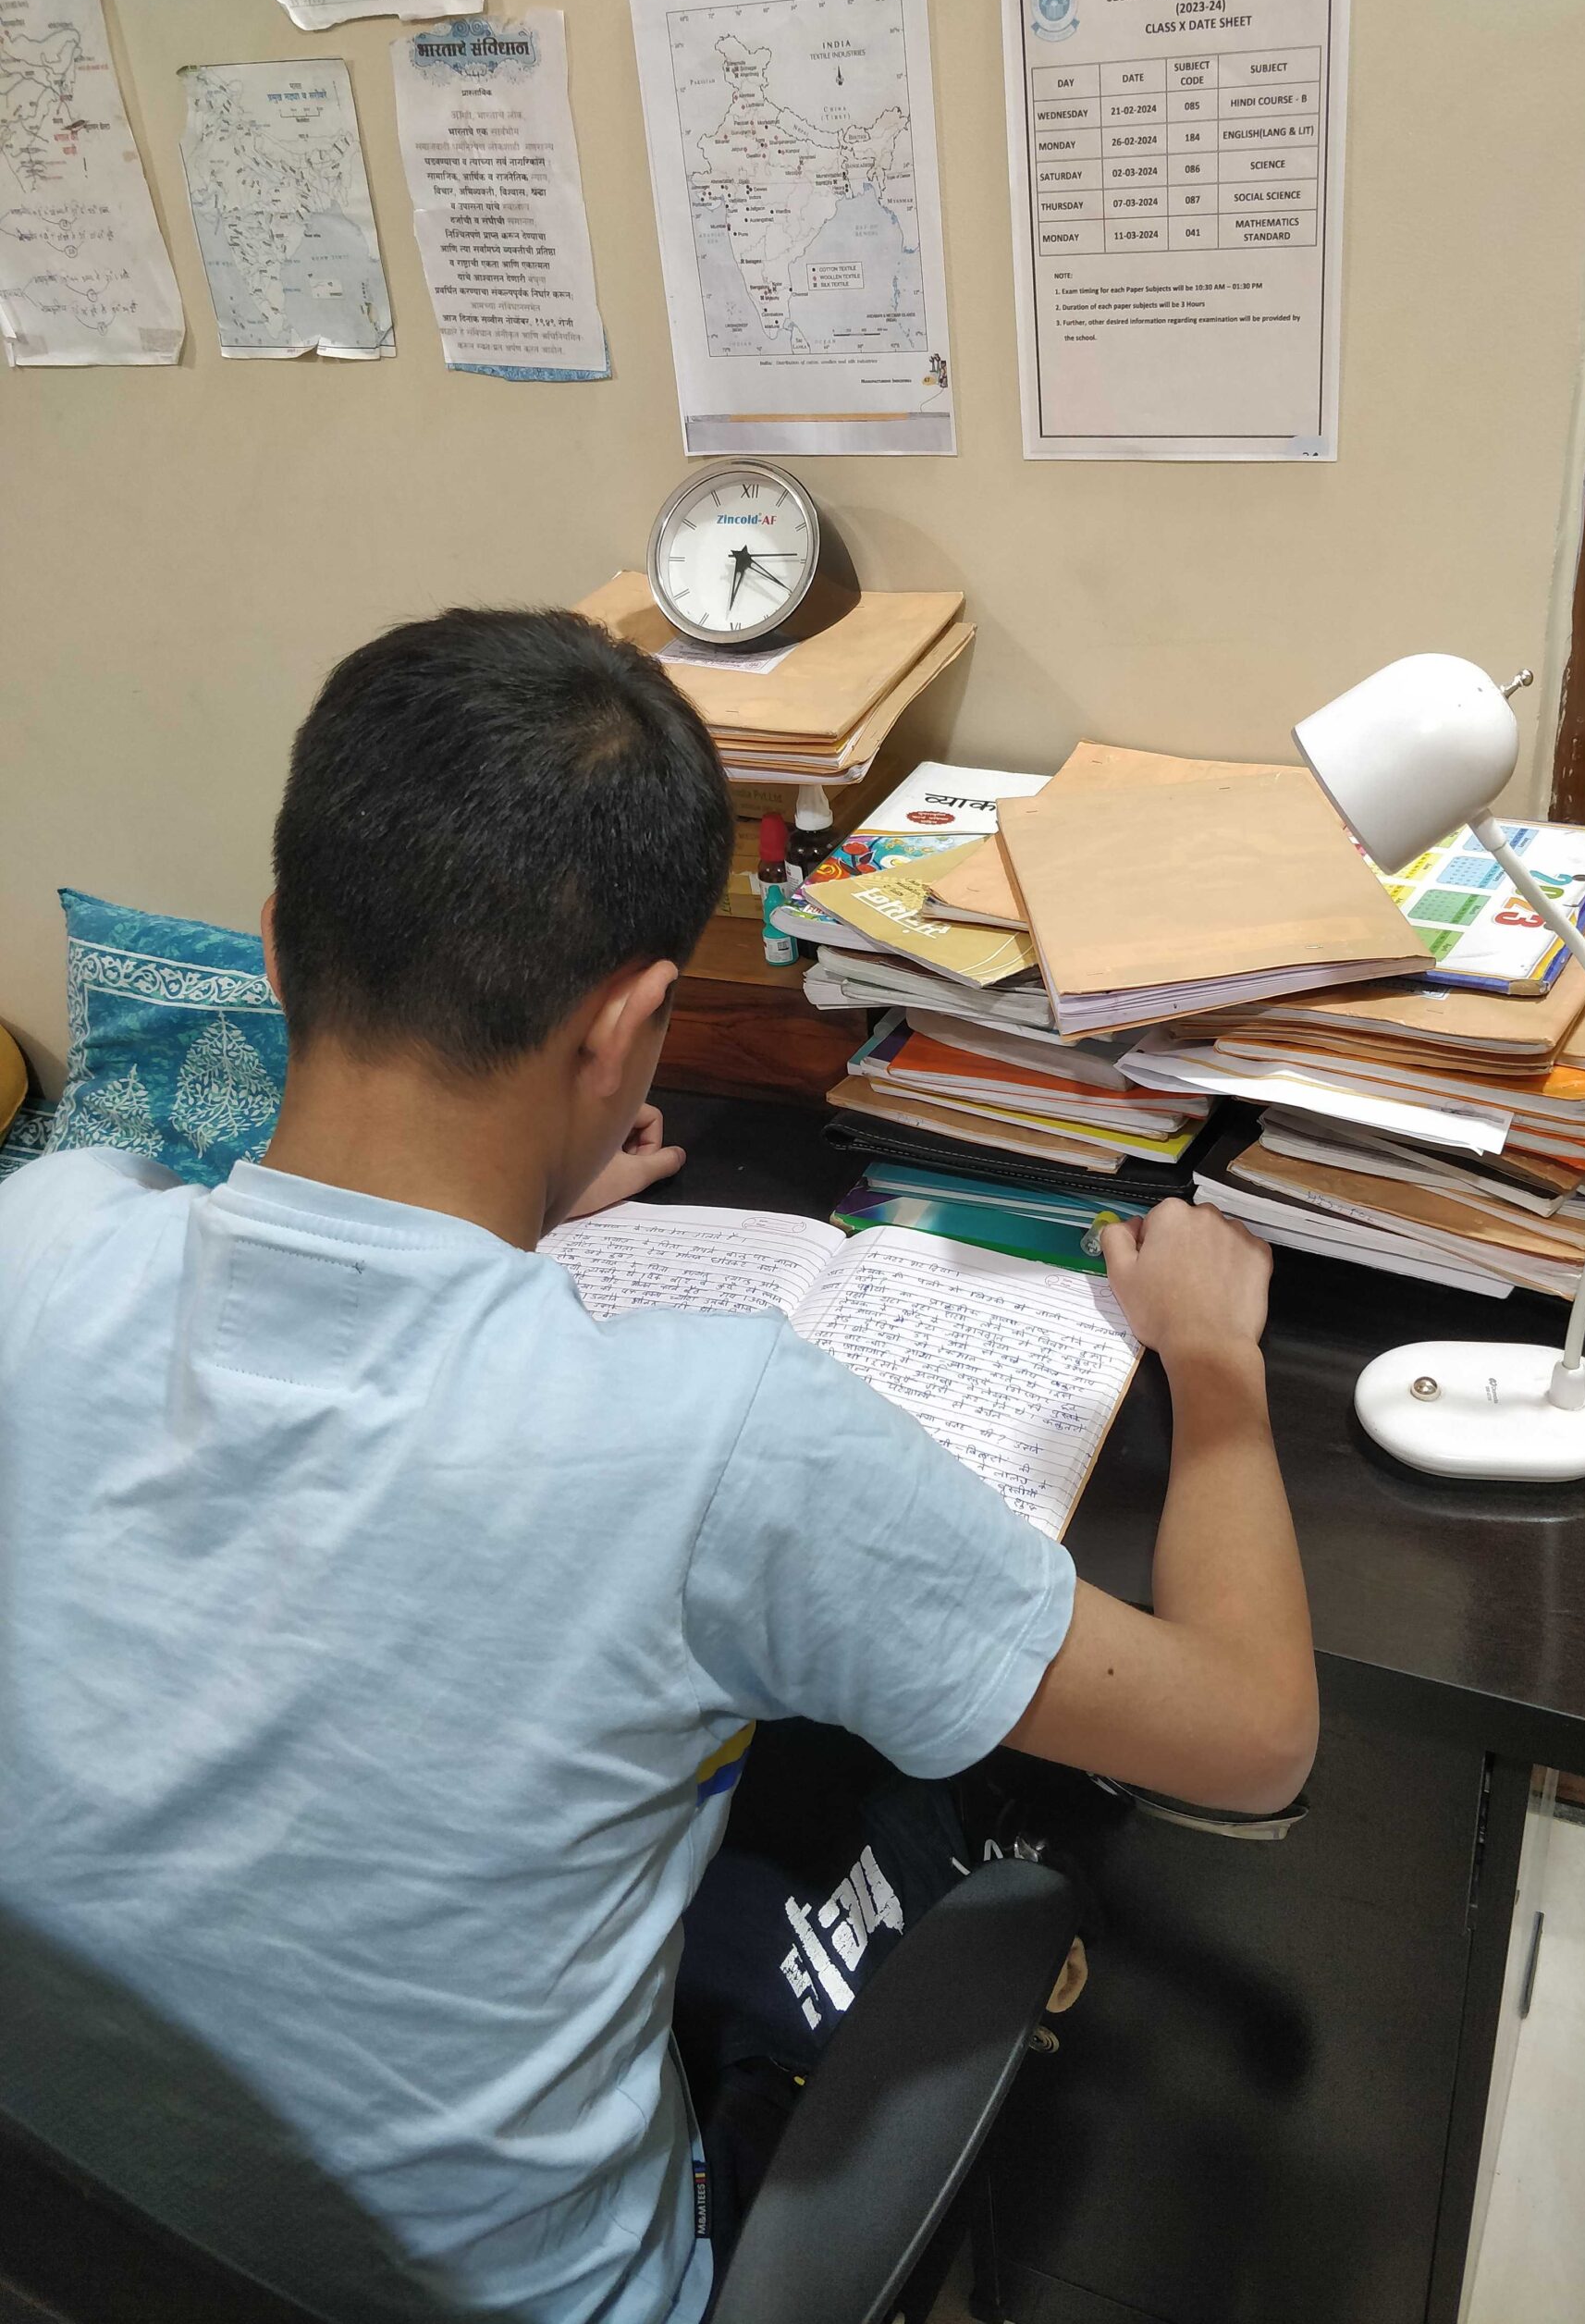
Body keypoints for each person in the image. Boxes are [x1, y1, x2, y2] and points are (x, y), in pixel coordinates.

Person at [0, 610, 1316, 2324]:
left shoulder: (39, 1237)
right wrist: (1216, 1366)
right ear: (625, 1028)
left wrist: (514, 1207)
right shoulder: (724, 1440)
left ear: (274, 944)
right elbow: (1255, 1737)